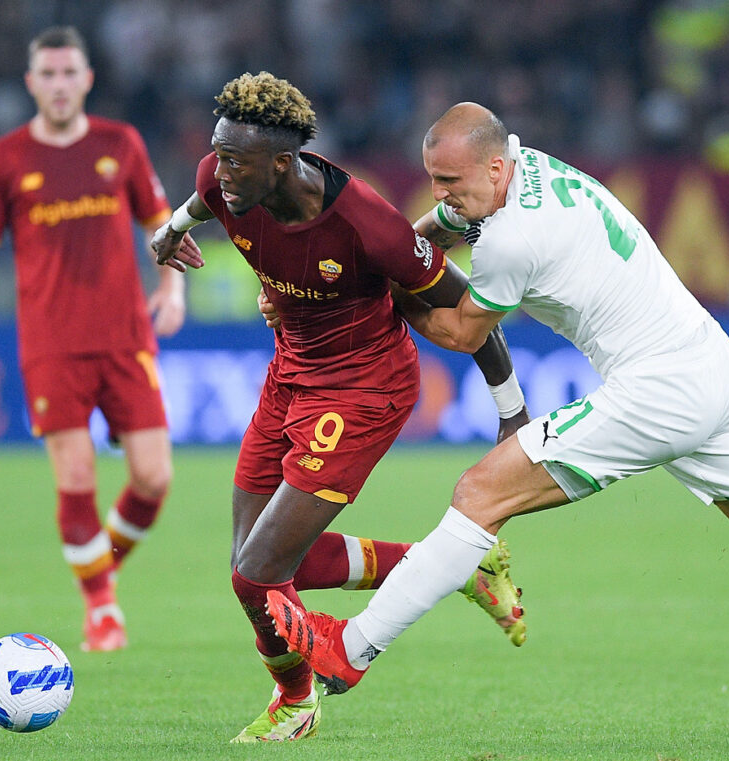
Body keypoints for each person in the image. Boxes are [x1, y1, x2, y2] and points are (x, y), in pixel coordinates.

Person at [268, 102, 729, 744]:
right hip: (707, 367)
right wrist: (395, 247)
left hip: (661, 385)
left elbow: (456, 329)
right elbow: (441, 227)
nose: (441, 194)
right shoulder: (522, 163)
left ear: (492, 165)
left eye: (450, 180)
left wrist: (370, 287)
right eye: (433, 179)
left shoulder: (514, 238)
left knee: (480, 494)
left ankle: (350, 650)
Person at [150, 74, 530, 743]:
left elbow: (468, 309)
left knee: (256, 575)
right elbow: (203, 197)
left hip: (362, 390)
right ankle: (455, 567)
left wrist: (511, 414)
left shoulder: (367, 226)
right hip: (288, 372)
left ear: (283, 162)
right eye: (219, 154)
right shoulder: (226, 178)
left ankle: (295, 702)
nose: (220, 171)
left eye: (237, 160)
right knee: (254, 563)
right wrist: (171, 229)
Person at [0, 26, 186, 654]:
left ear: (86, 79)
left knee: (154, 476)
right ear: (32, 84)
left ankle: (99, 567)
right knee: (77, 474)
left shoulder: (121, 144)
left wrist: (173, 292)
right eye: (47, 75)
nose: (59, 85)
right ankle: (101, 608)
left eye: (69, 74)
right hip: (51, 344)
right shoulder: (3, 159)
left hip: (124, 337)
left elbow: (162, 226)